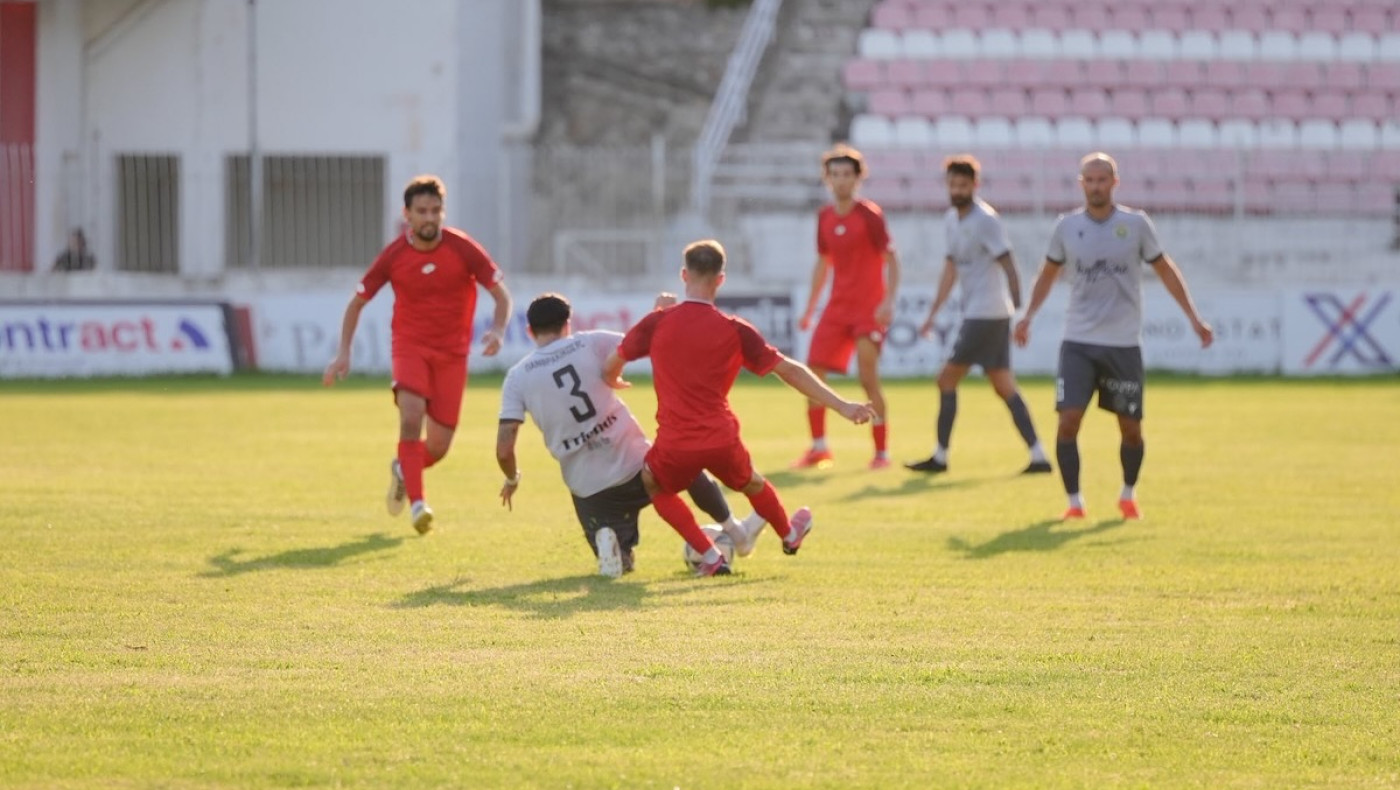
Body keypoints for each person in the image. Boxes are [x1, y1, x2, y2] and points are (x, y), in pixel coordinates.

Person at [603, 239, 876, 577]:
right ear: (720, 280)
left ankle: (710, 554)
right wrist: (842, 405)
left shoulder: (658, 322)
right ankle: (789, 535)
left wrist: (614, 377)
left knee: (654, 485)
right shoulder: (735, 329)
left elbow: (612, 362)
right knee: (753, 484)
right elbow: (790, 370)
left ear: (683, 275)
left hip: (676, 442)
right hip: (722, 438)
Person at [496, 292, 758, 578]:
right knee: (687, 468)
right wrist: (661, 313)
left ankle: (614, 548)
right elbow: (643, 342)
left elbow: (504, 449)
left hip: (590, 489)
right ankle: (733, 528)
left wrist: (512, 478)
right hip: (635, 462)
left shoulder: (518, 377)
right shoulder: (590, 342)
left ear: (529, 331)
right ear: (567, 324)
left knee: (623, 561)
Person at [1014, 153, 1213, 520]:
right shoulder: (1066, 226)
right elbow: (1048, 274)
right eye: (1089, 180)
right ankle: (1074, 503)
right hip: (1078, 342)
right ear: (1081, 184)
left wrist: (1194, 318)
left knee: (1131, 428)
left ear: (1115, 182)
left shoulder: (1135, 225)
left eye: (1102, 179)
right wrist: (1027, 316)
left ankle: (1127, 493)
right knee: (1068, 421)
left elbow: (1165, 270)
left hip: (1122, 344)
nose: (1095, 186)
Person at [323, 174, 512, 535]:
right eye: (422, 211)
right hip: (410, 347)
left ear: (443, 212)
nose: (430, 218)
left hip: (453, 356)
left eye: (435, 211)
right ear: (406, 214)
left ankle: (402, 469)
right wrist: (343, 353)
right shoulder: (394, 255)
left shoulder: (462, 248)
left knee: (438, 449)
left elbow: (501, 295)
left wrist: (498, 330)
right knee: (411, 419)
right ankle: (418, 505)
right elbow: (356, 304)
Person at [906, 155, 1051, 476]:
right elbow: (950, 268)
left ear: (975, 185)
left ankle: (940, 457)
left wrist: (1021, 312)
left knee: (946, 379)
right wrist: (933, 313)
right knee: (1003, 386)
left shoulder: (986, 220)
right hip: (981, 313)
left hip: (987, 313)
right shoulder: (951, 220)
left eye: (963, 185)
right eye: (952, 184)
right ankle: (1039, 456)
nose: (957, 190)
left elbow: (1009, 264)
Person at [793, 144, 901, 470]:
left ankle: (881, 453)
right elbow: (823, 264)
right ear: (827, 179)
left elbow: (892, 260)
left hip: (868, 309)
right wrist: (811, 310)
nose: (841, 181)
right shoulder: (824, 217)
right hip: (837, 308)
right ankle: (819, 447)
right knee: (812, 374)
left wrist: (888, 300)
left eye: (847, 175)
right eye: (835, 174)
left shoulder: (870, 216)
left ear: (858, 178)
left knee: (868, 377)